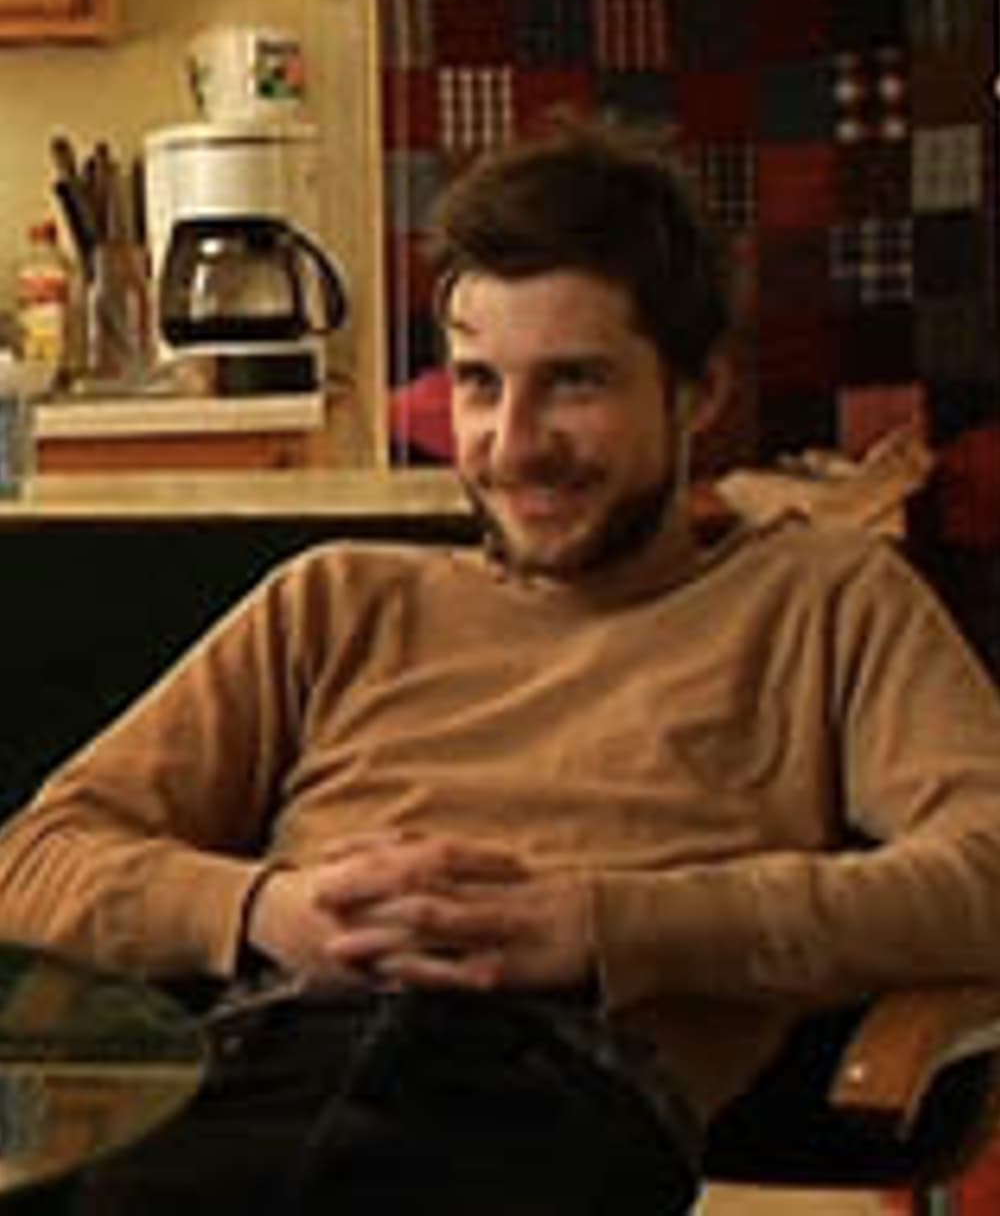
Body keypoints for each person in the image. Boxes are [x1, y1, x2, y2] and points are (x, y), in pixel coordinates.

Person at [1, 119, 1000, 1215]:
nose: (512, 444)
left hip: (551, 1093)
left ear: (699, 389)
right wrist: (264, 911)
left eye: (573, 383)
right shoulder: (335, 602)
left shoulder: (824, 600)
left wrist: (611, 927)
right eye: (479, 383)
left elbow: (985, 869)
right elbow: (30, 861)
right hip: (264, 1056)